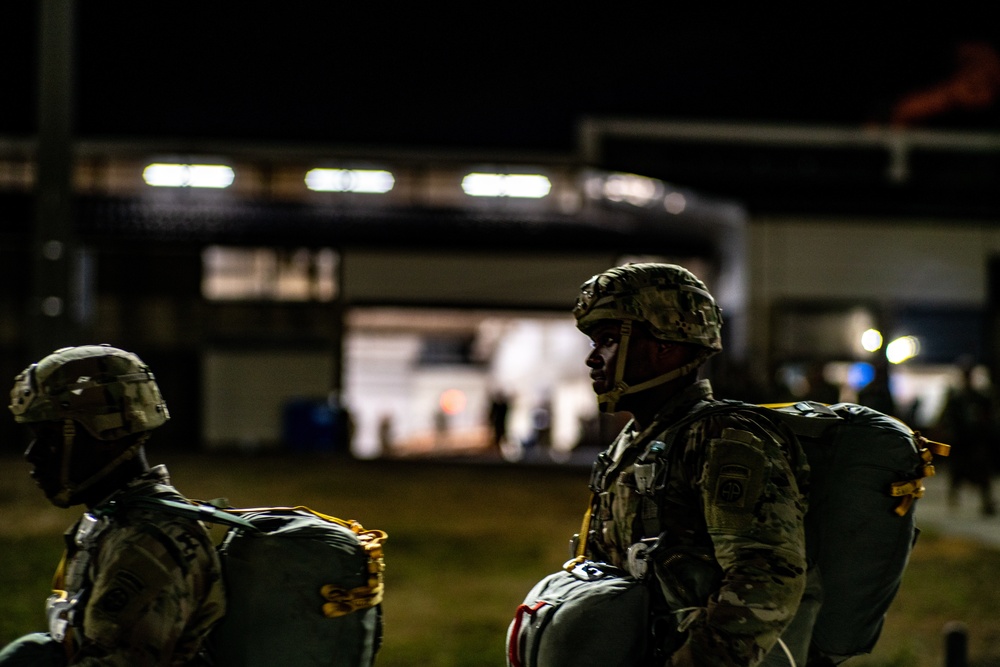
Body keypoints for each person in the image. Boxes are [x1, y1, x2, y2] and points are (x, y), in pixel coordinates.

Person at [572, 263, 809, 666]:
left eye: (609, 340)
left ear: (665, 343)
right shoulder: (632, 444)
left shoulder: (722, 439)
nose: (593, 359)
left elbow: (767, 574)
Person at [0, 345, 225, 666]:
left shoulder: (149, 541)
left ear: (109, 434)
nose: (32, 454)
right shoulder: (114, 518)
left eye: (49, 437)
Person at [935, 358, 998, 516]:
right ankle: (953, 500)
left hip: (976, 442)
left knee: (982, 474)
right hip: (961, 442)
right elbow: (947, 417)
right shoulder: (956, 398)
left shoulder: (980, 397)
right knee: (958, 472)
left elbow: (988, 418)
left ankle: (987, 503)